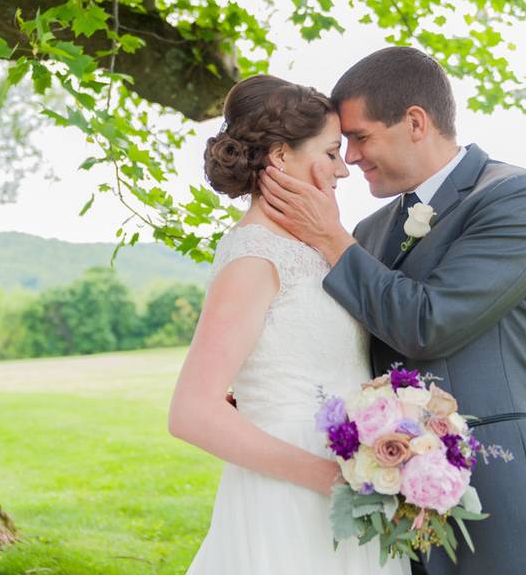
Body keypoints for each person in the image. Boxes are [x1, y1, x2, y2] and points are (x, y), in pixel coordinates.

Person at [258, 46, 526, 575]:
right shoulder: (369, 231)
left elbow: (427, 323)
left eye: (361, 138)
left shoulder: (515, 197)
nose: (351, 160)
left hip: (496, 489)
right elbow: (354, 336)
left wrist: (328, 236)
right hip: (390, 493)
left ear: (415, 121)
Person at [168, 74, 409, 575]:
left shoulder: (319, 249)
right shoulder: (254, 255)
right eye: (330, 152)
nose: (343, 169)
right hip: (291, 495)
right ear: (280, 156)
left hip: (348, 479)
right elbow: (191, 411)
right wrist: (330, 478)